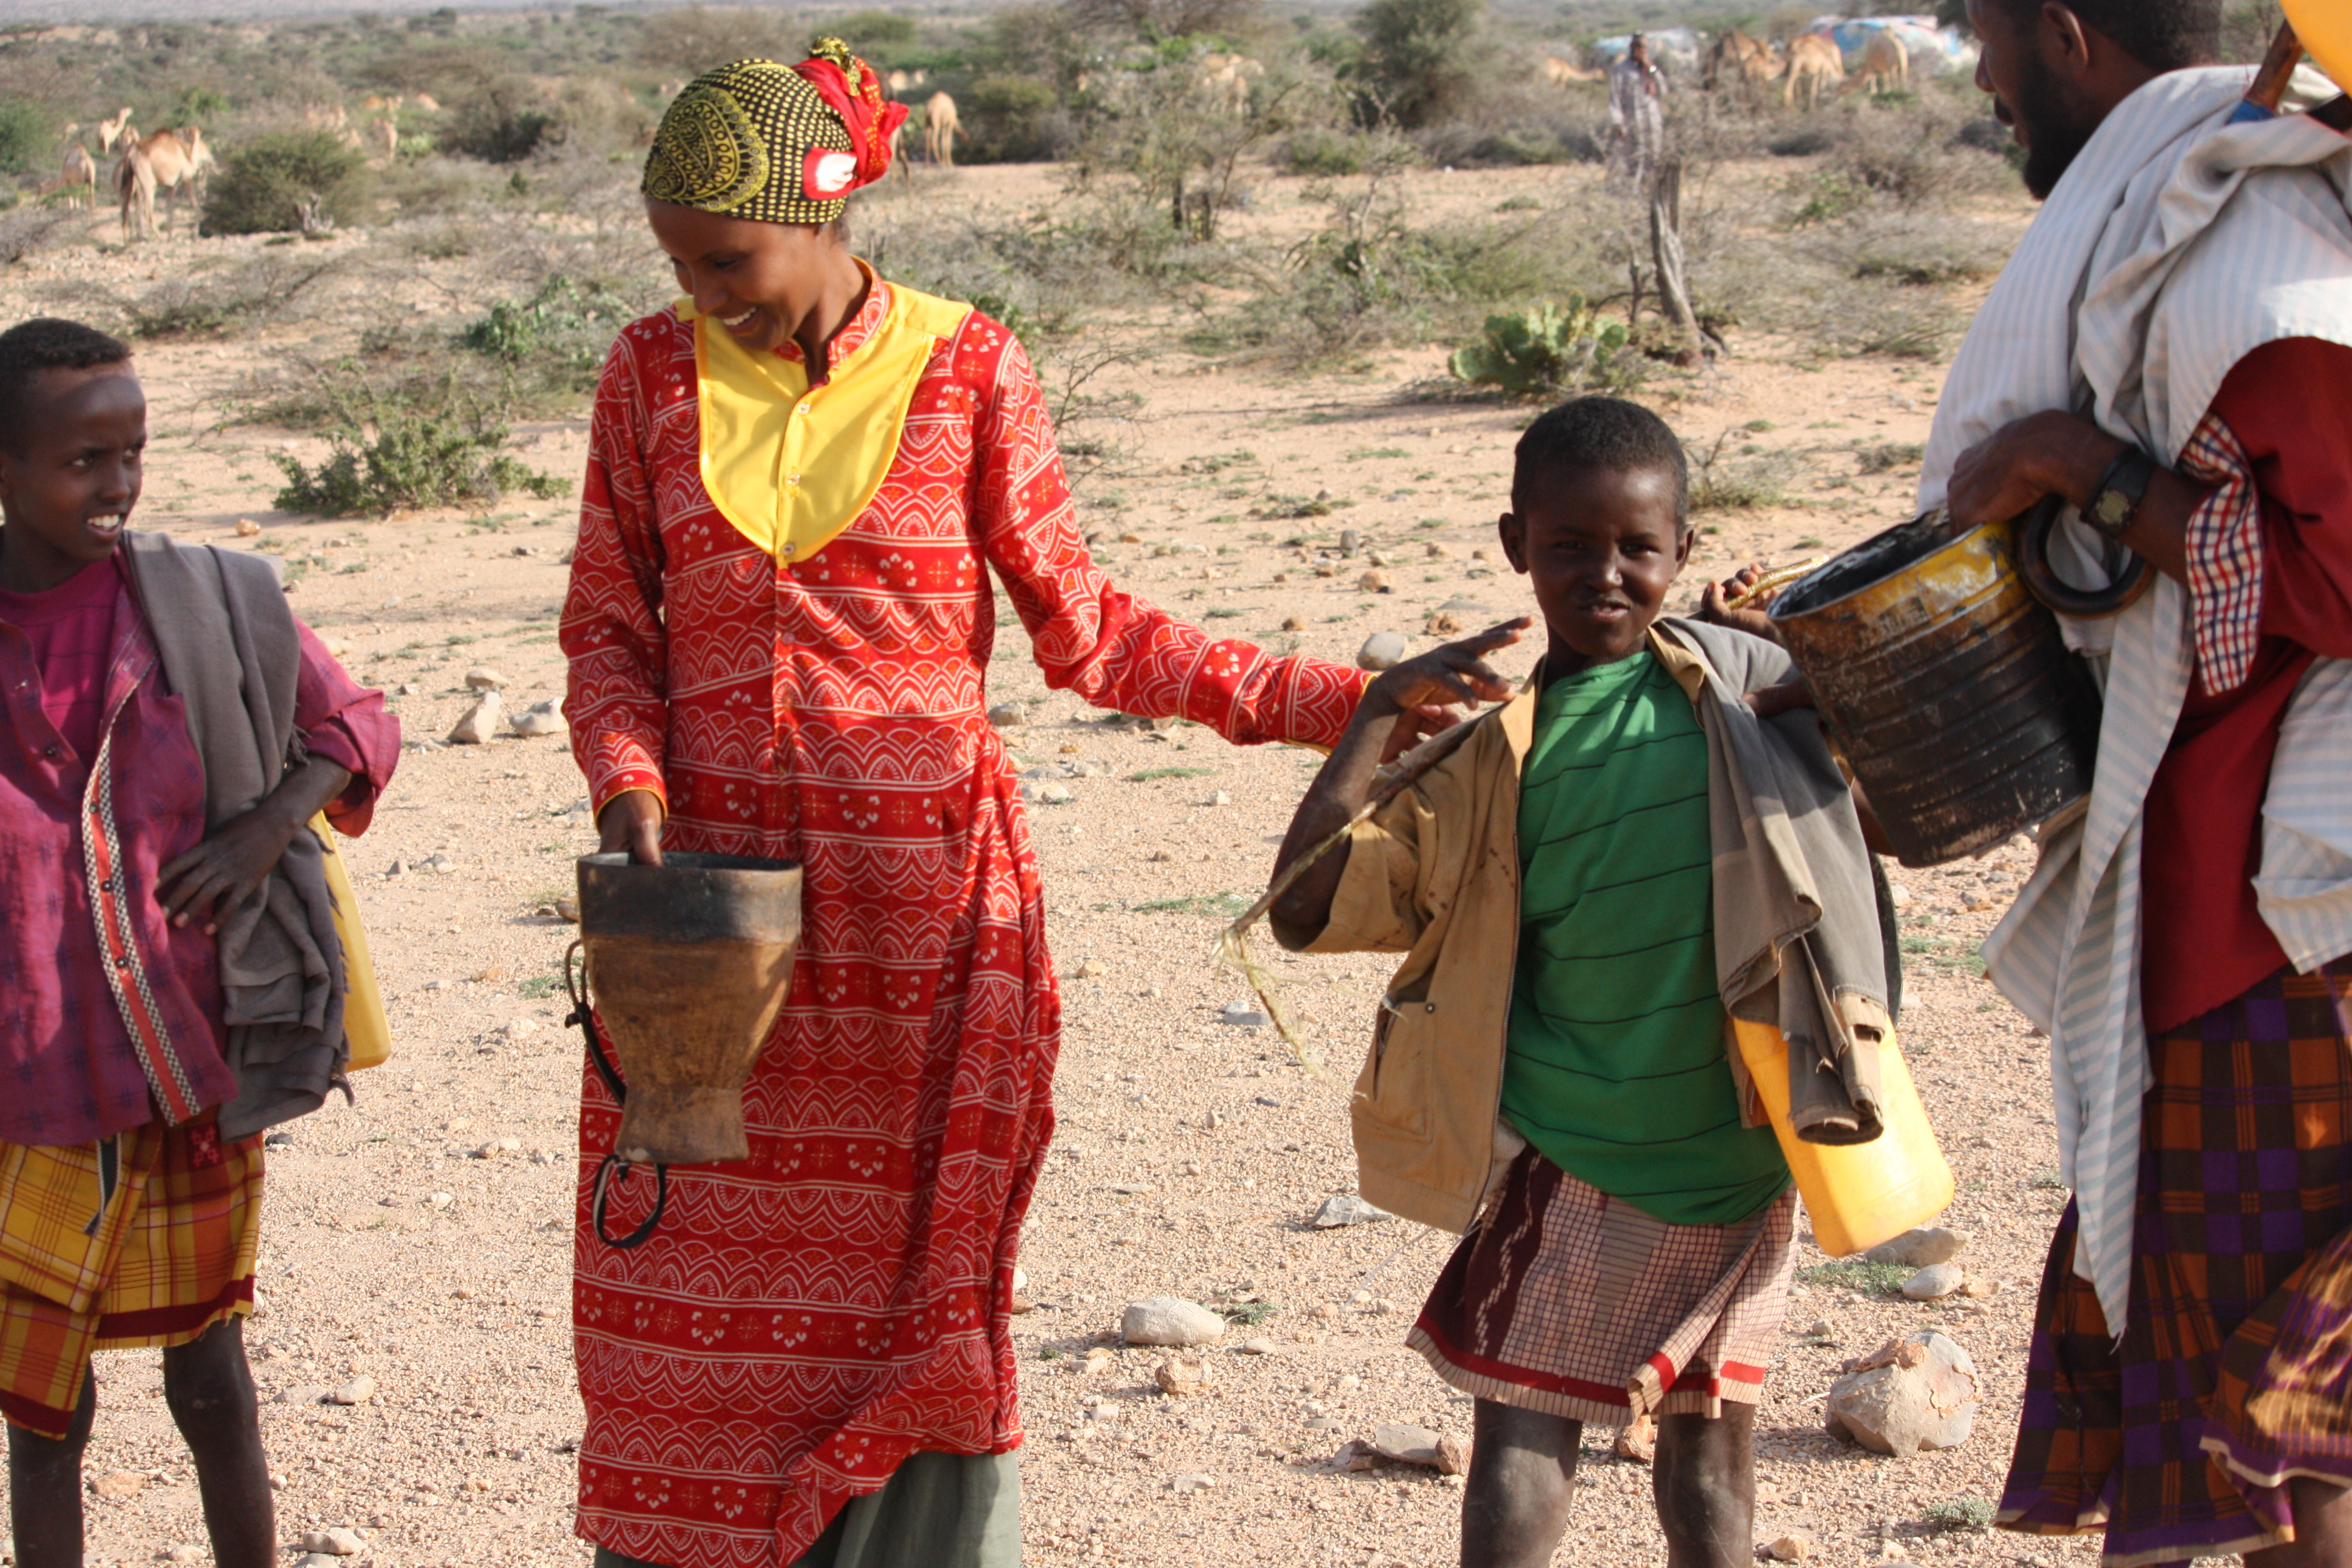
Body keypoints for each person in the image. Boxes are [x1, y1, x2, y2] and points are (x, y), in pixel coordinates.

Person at [558, 42, 1375, 1568]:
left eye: (727, 260)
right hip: (706, 925)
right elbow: (611, 631)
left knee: (920, 1291)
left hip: (925, 931)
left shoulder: (969, 366)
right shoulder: (647, 374)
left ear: (829, 209)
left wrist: (1338, 699)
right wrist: (629, 786)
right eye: (677, 264)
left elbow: (1094, 634)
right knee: (676, 1299)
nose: (704, 293)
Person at [1265, 398, 1897, 1568]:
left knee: (1586, 1445)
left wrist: (1808, 651)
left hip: (1726, 1150)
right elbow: (1302, 908)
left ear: (1683, 553)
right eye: (1569, 547)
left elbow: (1894, 814)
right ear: (1517, 545)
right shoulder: (1483, 762)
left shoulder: (1754, 692)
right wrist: (1374, 716)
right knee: (1607, 1455)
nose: (1604, 575)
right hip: (1609, 1146)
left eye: (1636, 550)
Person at [1918, 3, 2352, 1561]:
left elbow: (2342, 575)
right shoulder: (2234, 212)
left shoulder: (2268, 268)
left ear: (2065, 32)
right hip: (2244, 894)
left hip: (2286, 916)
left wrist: (2072, 460)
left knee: (2280, 1429)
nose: (1977, 73)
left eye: (1983, 33)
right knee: (2283, 1437)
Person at [0, 318, 398, 1568]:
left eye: (134, 452)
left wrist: (264, 826)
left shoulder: (208, 599)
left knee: (213, 1374)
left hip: (183, 1050)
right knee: (41, 1407)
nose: (117, 484)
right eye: (82, 460)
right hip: (30, 1073)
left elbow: (356, 725)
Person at [1609, 34, 1668, 193]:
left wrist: (1651, 69)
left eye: (1645, 49)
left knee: (1654, 154)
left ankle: (1653, 189)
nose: (1643, 52)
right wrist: (1618, 122)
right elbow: (1615, 96)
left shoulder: (1651, 68)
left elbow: (1663, 90)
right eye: (1640, 48)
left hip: (1652, 117)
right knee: (1635, 157)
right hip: (1633, 117)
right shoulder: (1621, 70)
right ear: (1633, 49)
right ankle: (1633, 191)